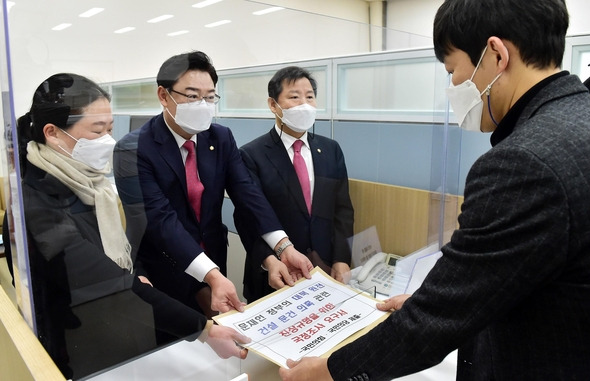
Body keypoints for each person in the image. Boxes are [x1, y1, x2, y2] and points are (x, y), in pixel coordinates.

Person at [279, 0, 590, 380]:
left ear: (496, 54)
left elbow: (432, 324)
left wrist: (328, 372)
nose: (453, 86)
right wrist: (441, 298)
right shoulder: (585, 121)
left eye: (452, 70)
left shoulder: (523, 163)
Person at [18, 73, 250, 379]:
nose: (108, 140)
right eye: (97, 130)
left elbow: (124, 247)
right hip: (80, 343)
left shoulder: (92, 184)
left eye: (110, 129)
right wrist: (205, 330)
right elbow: (106, 280)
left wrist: (138, 271)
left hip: (122, 325)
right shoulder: (36, 203)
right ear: (53, 132)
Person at [113, 51, 313, 320]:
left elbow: (247, 193)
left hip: (213, 260)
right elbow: (160, 220)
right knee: (173, 344)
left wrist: (284, 248)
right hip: (162, 268)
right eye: (192, 96)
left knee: (219, 336)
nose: (203, 105)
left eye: (209, 97)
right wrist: (211, 275)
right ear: (163, 96)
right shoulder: (134, 148)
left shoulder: (220, 137)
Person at [233, 66, 354, 302]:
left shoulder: (330, 150)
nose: (304, 104)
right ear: (273, 105)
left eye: (310, 97)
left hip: (324, 270)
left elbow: (343, 210)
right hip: (274, 275)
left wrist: (342, 258)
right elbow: (247, 218)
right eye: (294, 97)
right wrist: (270, 260)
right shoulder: (251, 155)